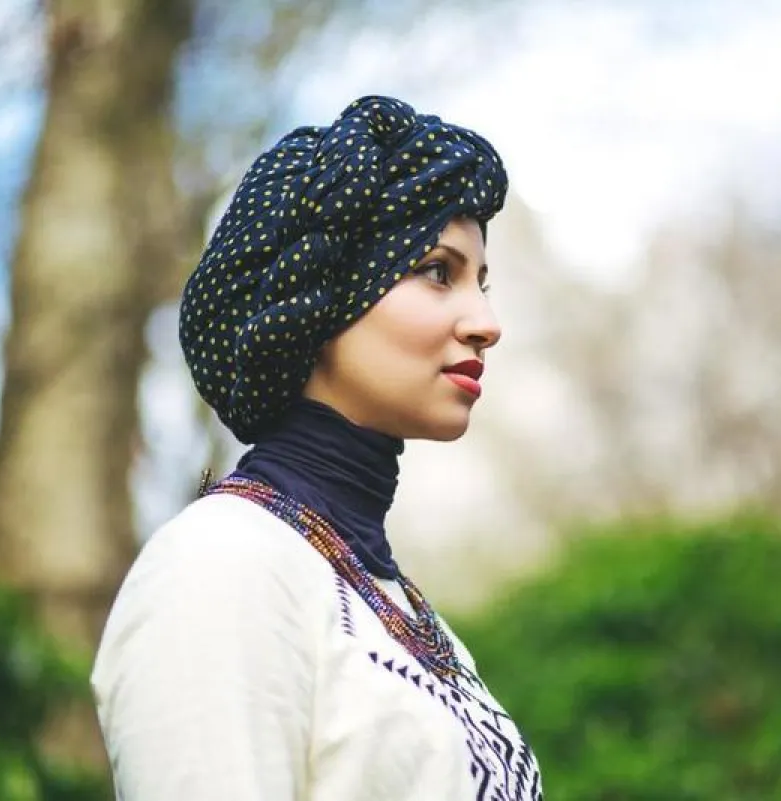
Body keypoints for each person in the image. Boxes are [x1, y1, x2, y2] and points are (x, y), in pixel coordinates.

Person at [91, 95, 544, 800]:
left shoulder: (395, 602)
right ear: (321, 293)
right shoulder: (221, 566)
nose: (486, 322)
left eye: (481, 282)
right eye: (437, 271)